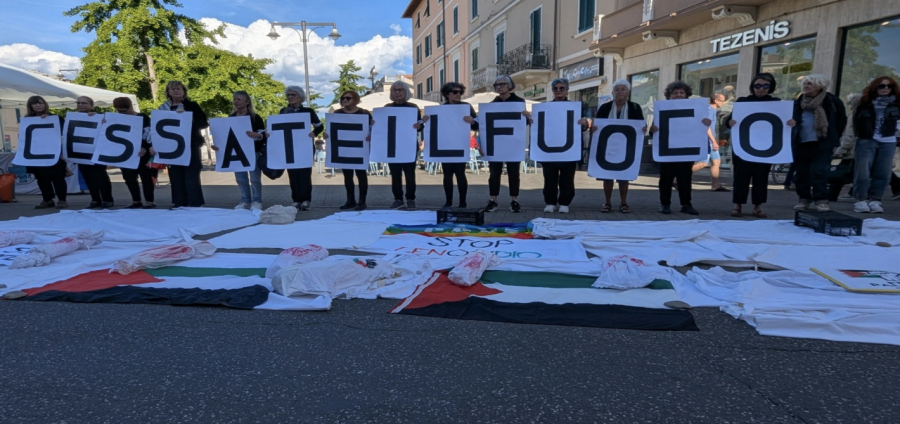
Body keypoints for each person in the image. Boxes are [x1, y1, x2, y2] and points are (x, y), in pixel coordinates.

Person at [725, 73, 797, 218]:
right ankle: (737, 205)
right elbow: (729, 121)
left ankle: (757, 206)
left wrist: (791, 122)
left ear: (771, 87)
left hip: (766, 147)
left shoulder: (777, 103)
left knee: (761, 178)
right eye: (757, 85)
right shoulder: (743, 101)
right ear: (753, 86)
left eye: (765, 86)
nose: (761, 89)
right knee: (741, 177)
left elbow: (784, 122)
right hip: (744, 146)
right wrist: (730, 122)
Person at [650, 81, 711, 215]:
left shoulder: (696, 109)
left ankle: (686, 204)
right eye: (675, 93)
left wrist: (706, 123)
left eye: (681, 92)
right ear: (669, 95)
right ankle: (665, 204)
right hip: (667, 151)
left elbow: (699, 127)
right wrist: (652, 129)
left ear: (686, 94)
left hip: (685, 150)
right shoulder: (662, 108)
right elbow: (653, 130)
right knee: (666, 179)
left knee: (685, 179)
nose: (678, 95)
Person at [791, 74, 847, 212]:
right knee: (801, 173)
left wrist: (833, 137)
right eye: (805, 84)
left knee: (819, 172)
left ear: (820, 85)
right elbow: (791, 120)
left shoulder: (832, 101)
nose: (805, 86)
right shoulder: (798, 102)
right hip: (801, 143)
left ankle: (821, 200)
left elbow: (841, 120)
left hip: (822, 143)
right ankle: (804, 199)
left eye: (809, 83)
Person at [591, 79, 646, 214]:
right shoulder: (605, 108)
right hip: (608, 146)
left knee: (624, 175)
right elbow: (598, 125)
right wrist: (594, 128)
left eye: (623, 89)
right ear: (613, 92)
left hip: (627, 146)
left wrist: (643, 129)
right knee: (607, 175)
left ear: (628, 92)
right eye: (617, 90)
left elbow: (640, 125)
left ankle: (624, 202)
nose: (620, 92)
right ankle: (607, 202)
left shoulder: (635, 107)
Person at [423, 82, 477, 208]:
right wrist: (425, 120)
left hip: (460, 144)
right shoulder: (441, 109)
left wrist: (473, 121)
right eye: (455, 92)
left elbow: (477, 125)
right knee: (447, 175)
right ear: (447, 94)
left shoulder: (466, 107)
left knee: (460, 174)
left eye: (460, 92)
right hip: (445, 145)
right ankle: (448, 202)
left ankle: (463, 202)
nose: (458, 94)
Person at [852, 76, 900, 213]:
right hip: (866, 139)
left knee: (883, 172)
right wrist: (857, 137)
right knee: (862, 172)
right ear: (874, 87)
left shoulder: (896, 104)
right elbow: (855, 122)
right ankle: (861, 200)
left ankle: (875, 199)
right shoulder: (864, 103)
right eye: (881, 86)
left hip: (888, 140)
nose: (885, 88)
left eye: (889, 86)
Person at [212, 91, 266, 211]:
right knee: (240, 178)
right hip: (236, 153)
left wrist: (257, 135)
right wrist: (217, 145)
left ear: (247, 102)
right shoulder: (230, 118)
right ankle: (245, 200)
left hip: (253, 152)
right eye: (235, 99)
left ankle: (257, 200)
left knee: (255, 178)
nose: (236, 101)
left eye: (239, 99)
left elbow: (263, 135)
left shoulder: (255, 117)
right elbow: (224, 137)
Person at [159, 81, 208, 208]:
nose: (176, 91)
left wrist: (189, 118)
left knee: (191, 174)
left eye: (178, 89)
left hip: (190, 145)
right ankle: (179, 201)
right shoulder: (162, 108)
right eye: (173, 89)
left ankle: (195, 202)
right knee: (175, 174)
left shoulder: (192, 106)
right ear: (168, 92)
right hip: (172, 146)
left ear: (184, 91)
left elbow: (203, 123)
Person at [484, 75, 528, 213]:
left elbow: (523, 123)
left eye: (502, 84)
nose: (499, 87)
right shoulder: (492, 104)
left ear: (510, 86)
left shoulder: (519, 102)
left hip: (513, 143)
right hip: (496, 144)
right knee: (494, 174)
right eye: (496, 85)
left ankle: (514, 200)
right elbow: (485, 124)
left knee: (513, 173)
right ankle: (493, 200)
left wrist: (527, 117)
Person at [279, 86, 324, 211]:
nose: (290, 97)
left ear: (300, 97)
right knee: (292, 175)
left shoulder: (308, 111)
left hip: (304, 147)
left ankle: (306, 200)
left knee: (304, 174)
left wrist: (314, 133)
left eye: (293, 95)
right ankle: (296, 200)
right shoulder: (283, 111)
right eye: (288, 95)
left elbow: (320, 126)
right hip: (290, 147)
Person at [381, 81, 423, 210]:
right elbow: (383, 126)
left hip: (409, 145)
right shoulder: (387, 107)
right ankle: (398, 199)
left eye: (400, 90)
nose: (397, 92)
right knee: (395, 174)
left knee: (410, 174)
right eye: (395, 90)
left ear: (406, 92)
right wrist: (375, 123)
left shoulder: (413, 107)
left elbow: (420, 126)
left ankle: (410, 199)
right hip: (393, 145)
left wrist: (419, 126)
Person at [330, 90, 373, 211]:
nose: (345, 100)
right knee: (347, 176)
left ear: (355, 99)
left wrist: (371, 134)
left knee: (361, 175)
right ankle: (350, 200)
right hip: (344, 147)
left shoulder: (364, 113)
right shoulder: (337, 113)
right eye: (343, 98)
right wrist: (327, 135)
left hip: (360, 147)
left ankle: (362, 201)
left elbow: (373, 129)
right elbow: (332, 128)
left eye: (348, 98)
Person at [24, 96, 67, 209]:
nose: (38, 105)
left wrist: (48, 119)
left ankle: (62, 200)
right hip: (36, 154)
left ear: (45, 104)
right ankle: (47, 200)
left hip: (54, 153)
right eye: (35, 103)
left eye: (40, 103)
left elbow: (65, 133)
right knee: (41, 178)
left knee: (58, 178)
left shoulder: (56, 118)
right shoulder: (27, 120)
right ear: (31, 106)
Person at [111, 97, 156, 209]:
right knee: (129, 178)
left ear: (130, 106)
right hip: (126, 153)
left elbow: (149, 133)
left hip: (142, 153)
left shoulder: (142, 117)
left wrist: (145, 147)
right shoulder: (116, 119)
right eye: (119, 111)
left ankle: (149, 201)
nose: (122, 113)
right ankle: (136, 200)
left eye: (125, 111)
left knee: (146, 177)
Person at [74, 96, 114, 208]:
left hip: (97, 151)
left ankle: (107, 199)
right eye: (79, 103)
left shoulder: (99, 116)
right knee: (88, 177)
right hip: (81, 152)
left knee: (101, 176)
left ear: (91, 105)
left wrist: (100, 118)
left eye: (84, 103)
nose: (81, 105)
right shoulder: (73, 117)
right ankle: (95, 199)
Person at [692, 92, 729, 192]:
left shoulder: (713, 110)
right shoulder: (709, 110)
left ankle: (715, 185)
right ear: (716, 100)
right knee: (703, 163)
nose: (723, 103)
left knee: (716, 162)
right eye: (722, 100)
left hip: (710, 141)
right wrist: (714, 141)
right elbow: (706, 127)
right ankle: (678, 178)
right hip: (707, 141)